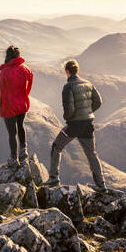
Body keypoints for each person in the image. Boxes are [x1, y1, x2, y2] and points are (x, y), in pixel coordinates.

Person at [44, 59, 107, 192]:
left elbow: (69, 108)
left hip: (74, 125)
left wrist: (69, 119)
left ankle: (54, 178)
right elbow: (98, 101)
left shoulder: (68, 86)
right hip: (88, 123)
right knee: (91, 154)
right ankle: (101, 185)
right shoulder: (89, 84)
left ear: (67, 72)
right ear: (77, 70)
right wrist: (87, 112)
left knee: (56, 146)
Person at [0, 45, 33, 166]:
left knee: (12, 133)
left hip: (9, 107)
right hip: (22, 104)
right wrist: (24, 95)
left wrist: (0, 106)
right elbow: (29, 83)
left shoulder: (4, 73)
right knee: (21, 126)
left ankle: (14, 158)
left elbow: (0, 91)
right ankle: (24, 152)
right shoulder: (24, 68)